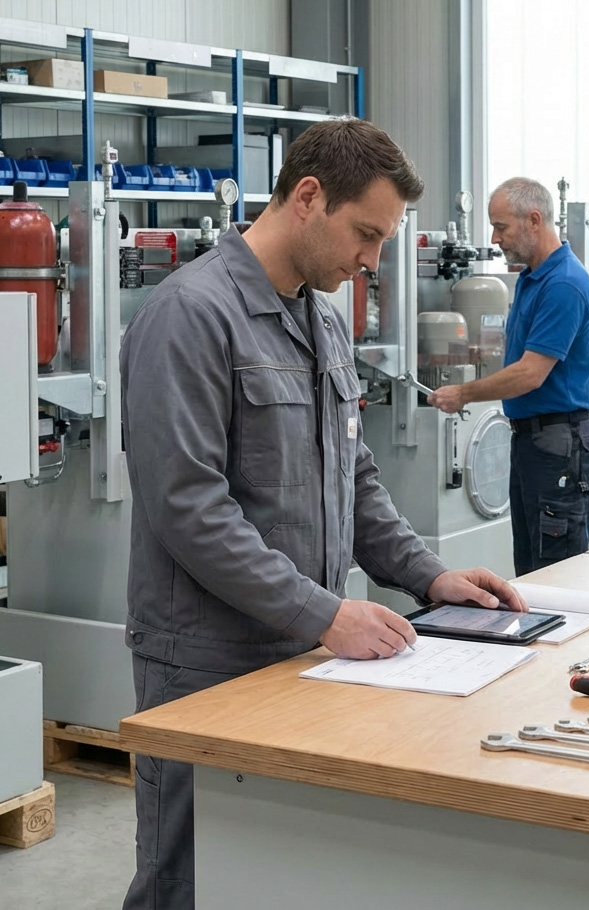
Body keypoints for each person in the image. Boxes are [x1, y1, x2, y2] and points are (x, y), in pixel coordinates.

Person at [119, 117, 527, 910]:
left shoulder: (321, 320)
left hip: (304, 651)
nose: (372, 260)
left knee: (277, 871)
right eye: (366, 233)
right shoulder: (191, 316)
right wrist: (326, 613)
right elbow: (188, 507)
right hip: (207, 659)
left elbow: (357, 477)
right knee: (189, 881)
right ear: (308, 197)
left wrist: (429, 576)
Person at [428, 177, 589, 577]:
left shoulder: (563, 284)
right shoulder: (531, 278)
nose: (495, 237)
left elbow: (529, 373)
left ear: (534, 220)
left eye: (502, 227)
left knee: (556, 574)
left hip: (559, 442)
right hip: (533, 440)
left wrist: (464, 394)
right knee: (531, 570)